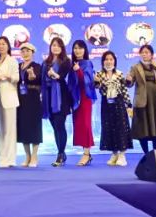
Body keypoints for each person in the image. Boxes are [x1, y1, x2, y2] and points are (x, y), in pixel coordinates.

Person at [94, 50, 132, 166]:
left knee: (121, 128)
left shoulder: (119, 74)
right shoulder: (99, 74)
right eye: (106, 59)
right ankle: (114, 154)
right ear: (103, 62)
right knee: (109, 128)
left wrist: (129, 105)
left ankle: (122, 154)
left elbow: (125, 89)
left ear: (114, 61)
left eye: (111, 59)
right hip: (106, 104)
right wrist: (96, 82)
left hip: (118, 103)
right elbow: (97, 88)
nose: (109, 62)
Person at [129, 44, 156, 154]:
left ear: (151, 54)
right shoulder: (135, 67)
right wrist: (128, 80)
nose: (144, 54)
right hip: (142, 101)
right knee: (143, 129)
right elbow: (130, 83)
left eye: (147, 52)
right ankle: (146, 153)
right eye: (142, 52)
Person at [42, 36, 75, 167]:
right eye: (53, 45)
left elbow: (63, 77)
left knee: (60, 125)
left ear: (62, 48)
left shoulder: (66, 61)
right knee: (54, 126)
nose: (55, 47)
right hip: (48, 97)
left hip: (61, 97)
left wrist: (54, 75)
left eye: (58, 45)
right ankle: (61, 152)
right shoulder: (46, 62)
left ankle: (61, 153)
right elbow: (42, 80)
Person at [70, 39, 97, 166]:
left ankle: (86, 154)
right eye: (75, 48)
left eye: (80, 48)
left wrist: (78, 70)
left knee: (86, 125)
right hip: (75, 98)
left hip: (85, 98)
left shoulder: (87, 63)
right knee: (79, 125)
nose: (77, 50)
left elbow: (87, 81)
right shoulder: (73, 64)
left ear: (85, 50)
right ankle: (86, 153)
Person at [0, 35, 19, 168]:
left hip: (9, 97)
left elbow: (16, 78)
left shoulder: (12, 61)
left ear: (8, 46)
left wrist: (5, 76)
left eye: (3, 44)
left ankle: (10, 159)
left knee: (10, 130)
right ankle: (1, 158)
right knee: (0, 130)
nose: (1, 46)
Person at [16, 43, 43, 167]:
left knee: (34, 127)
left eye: (28, 51)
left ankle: (34, 156)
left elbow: (37, 79)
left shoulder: (37, 66)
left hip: (33, 99)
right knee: (23, 127)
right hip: (21, 99)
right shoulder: (18, 66)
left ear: (33, 52)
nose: (25, 53)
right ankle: (27, 155)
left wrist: (32, 75)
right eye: (23, 51)